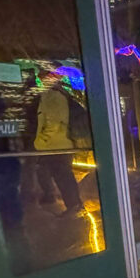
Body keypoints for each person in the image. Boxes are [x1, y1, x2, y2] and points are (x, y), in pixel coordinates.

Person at [35, 72, 83, 215]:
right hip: (55, 144)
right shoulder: (53, 94)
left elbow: (54, 123)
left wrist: (41, 140)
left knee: (62, 175)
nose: (42, 80)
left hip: (57, 144)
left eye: (44, 77)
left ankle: (74, 205)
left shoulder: (55, 96)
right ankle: (56, 198)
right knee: (47, 170)